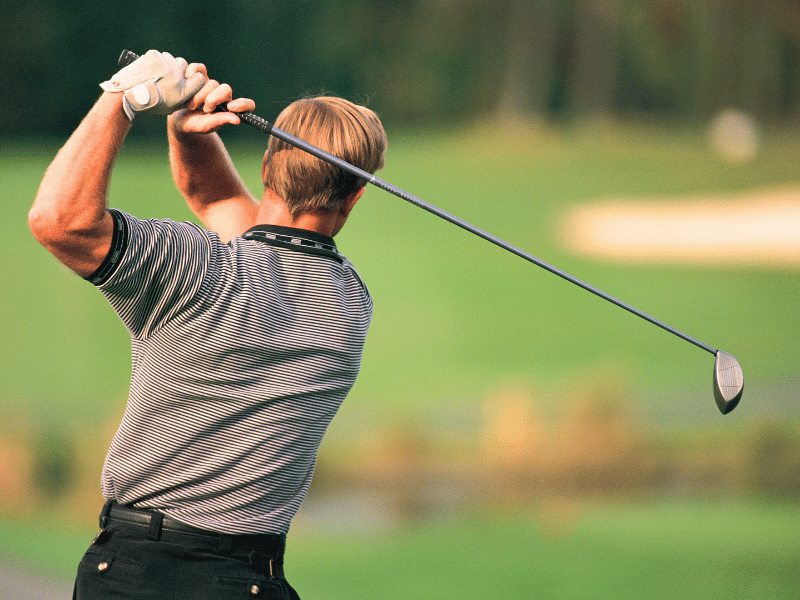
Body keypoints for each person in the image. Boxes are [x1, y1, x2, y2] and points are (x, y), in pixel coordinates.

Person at [29, 50, 388, 600]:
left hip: (135, 576)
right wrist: (190, 134)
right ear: (356, 194)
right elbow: (227, 206)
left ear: (267, 168)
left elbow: (59, 222)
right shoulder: (348, 301)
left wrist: (123, 98)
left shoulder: (196, 268)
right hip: (249, 582)